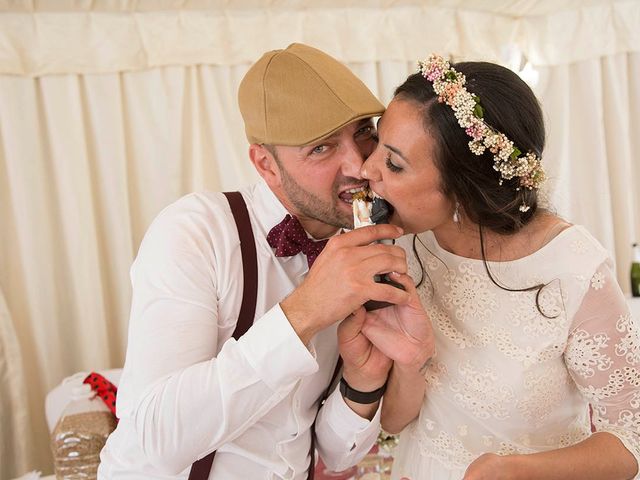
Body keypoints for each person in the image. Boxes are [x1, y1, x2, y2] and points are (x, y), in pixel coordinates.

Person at [97, 43, 434, 479]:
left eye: (363, 132)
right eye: (321, 149)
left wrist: (361, 381)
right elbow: (157, 439)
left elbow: (336, 453)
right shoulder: (195, 231)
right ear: (266, 165)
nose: (359, 165)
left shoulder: (365, 246)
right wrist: (306, 312)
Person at [358, 54, 640, 479]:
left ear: (464, 191)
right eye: (377, 145)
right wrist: (412, 361)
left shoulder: (573, 269)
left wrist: (515, 471)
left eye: (394, 164)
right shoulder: (402, 250)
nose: (366, 169)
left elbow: (630, 438)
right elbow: (394, 422)